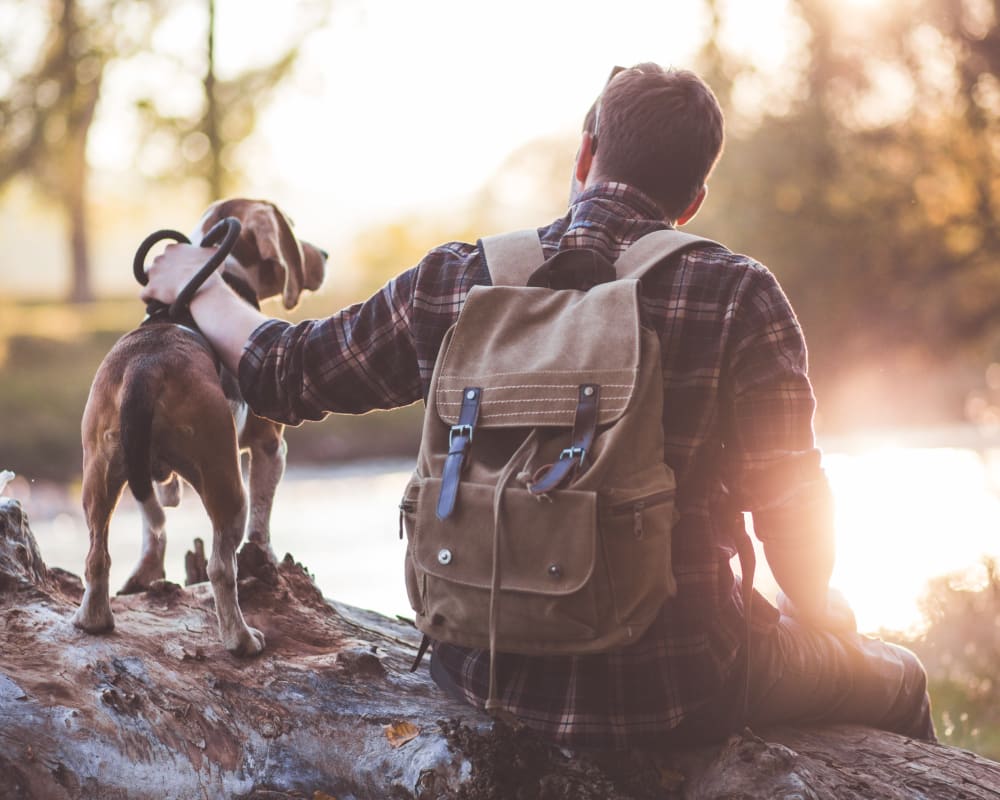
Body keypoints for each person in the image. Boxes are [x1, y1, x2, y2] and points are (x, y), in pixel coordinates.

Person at [142, 63, 935, 750]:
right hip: (682, 688)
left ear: (586, 154)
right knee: (901, 676)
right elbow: (792, 512)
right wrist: (821, 610)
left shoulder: (463, 280)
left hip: (483, 670)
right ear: (692, 200)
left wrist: (199, 285)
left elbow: (288, 370)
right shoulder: (738, 294)